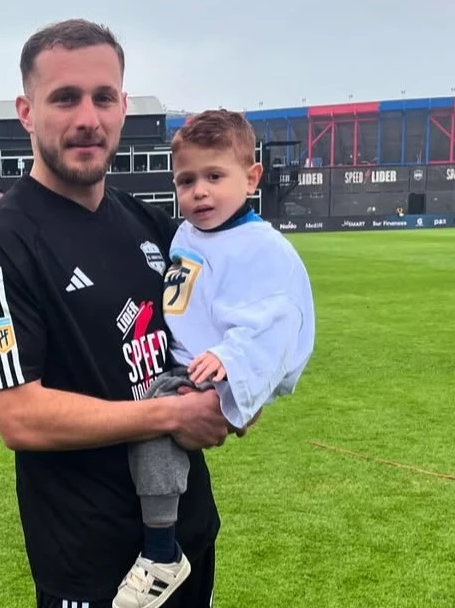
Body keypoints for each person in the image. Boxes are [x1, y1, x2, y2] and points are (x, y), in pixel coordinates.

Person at [0, 19, 230, 608]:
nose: (87, 118)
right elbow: (20, 416)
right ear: (27, 111)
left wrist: (231, 398)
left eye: (103, 97)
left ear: (123, 106)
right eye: (65, 98)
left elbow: (201, 335)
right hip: (96, 568)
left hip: (190, 536)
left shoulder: (143, 220)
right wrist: (167, 417)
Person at [117, 109, 316, 608]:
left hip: (219, 368)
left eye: (214, 177)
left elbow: (276, 318)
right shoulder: (186, 233)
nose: (199, 192)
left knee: (150, 424)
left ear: (251, 179)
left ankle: (161, 552)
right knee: (146, 412)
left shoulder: (263, 248)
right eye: (186, 181)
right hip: (185, 362)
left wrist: (232, 360)